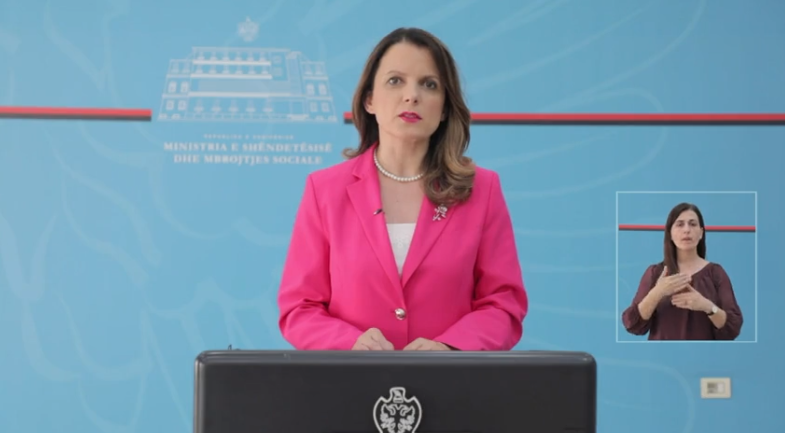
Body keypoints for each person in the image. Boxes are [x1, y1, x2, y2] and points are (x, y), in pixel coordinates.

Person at [277, 27, 528, 351]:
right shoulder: (324, 190)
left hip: (451, 382)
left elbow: (503, 305)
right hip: (351, 381)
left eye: (429, 84)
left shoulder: (482, 190)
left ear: (444, 108)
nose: (412, 96)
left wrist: (450, 347)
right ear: (369, 100)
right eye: (395, 81)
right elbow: (299, 308)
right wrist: (349, 343)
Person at [621, 202, 743, 340]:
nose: (687, 230)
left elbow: (733, 327)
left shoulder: (716, 273)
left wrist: (707, 306)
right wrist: (657, 292)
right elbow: (632, 324)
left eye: (692, 224)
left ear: (701, 233)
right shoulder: (655, 272)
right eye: (680, 224)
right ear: (670, 233)